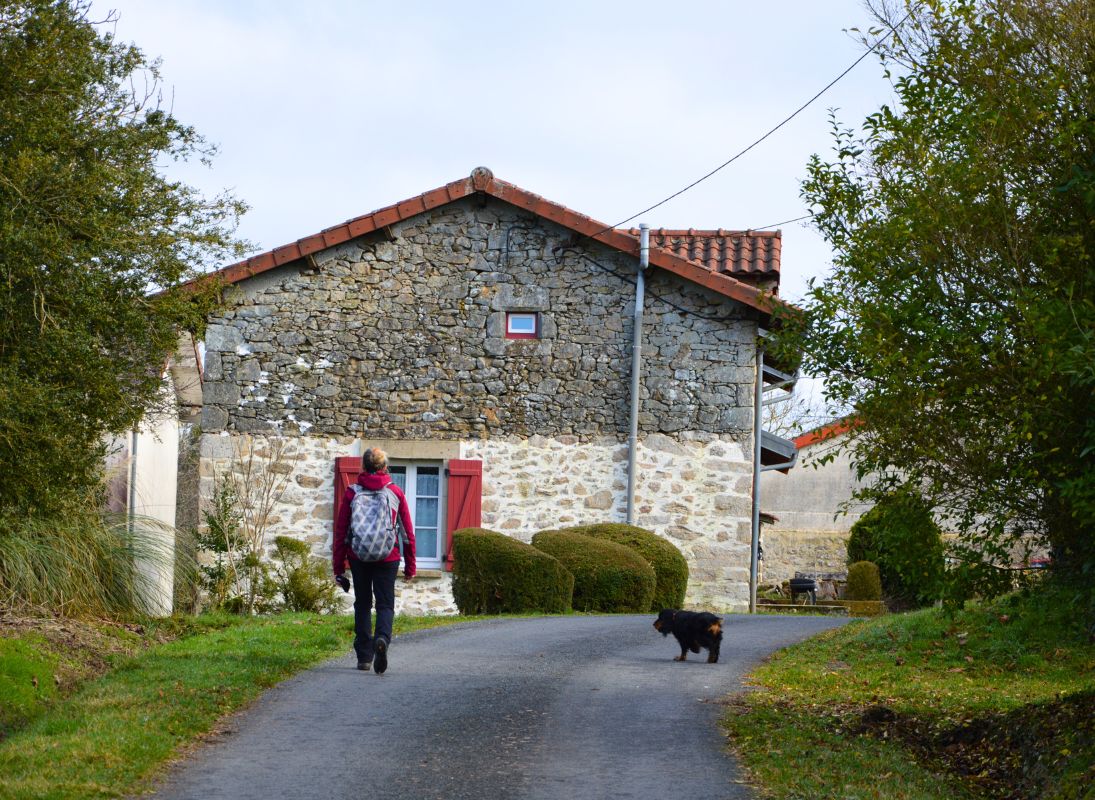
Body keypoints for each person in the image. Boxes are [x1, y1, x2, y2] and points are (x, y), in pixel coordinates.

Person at [332, 447, 415, 674]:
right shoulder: (395, 492)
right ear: (385, 467)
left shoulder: (351, 493)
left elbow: (341, 533)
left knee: (363, 603)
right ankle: (382, 640)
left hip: (358, 556)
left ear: (363, 467)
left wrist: (338, 568)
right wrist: (410, 566)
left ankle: (364, 657)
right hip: (388, 556)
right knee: (385, 603)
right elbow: (407, 532)